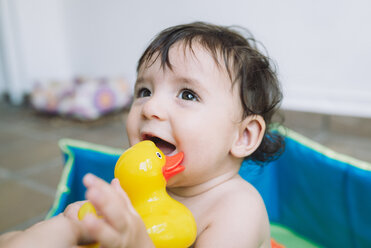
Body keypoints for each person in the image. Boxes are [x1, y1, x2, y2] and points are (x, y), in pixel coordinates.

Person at [0, 22, 283, 248]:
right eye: (144, 91)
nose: (150, 107)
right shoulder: (139, 188)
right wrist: (75, 222)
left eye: (187, 94)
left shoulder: (236, 208)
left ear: (243, 136)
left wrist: (137, 242)